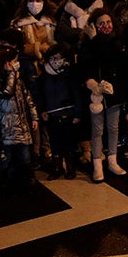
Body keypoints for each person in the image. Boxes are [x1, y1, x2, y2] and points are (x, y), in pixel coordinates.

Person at [0, 42, 41, 198]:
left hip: (21, 126)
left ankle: (27, 183)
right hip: (5, 128)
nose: (15, 64)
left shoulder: (17, 79)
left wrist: (34, 116)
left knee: (25, 158)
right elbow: (6, 92)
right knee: (5, 159)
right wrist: (11, 74)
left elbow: (27, 98)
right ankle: (3, 186)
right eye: (12, 61)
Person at [77, 6, 128, 180]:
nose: (105, 26)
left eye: (108, 22)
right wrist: (93, 41)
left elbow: (110, 57)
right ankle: (97, 164)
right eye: (101, 23)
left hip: (114, 91)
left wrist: (96, 40)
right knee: (97, 130)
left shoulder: (117, 41)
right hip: (95, 94)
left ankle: (113, 161)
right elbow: (85, 64)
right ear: (93, 26)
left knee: (113, 128)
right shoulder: (86, 44)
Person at [33, 43, 83, 180]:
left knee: (68, 141)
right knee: (54, 141)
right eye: (53, 58)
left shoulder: (69, 74)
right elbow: (40, 94)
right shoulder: (44, 76)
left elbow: (76, 93)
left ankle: (70, 167)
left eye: (59, 58)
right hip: (51, 114)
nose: (56, 61)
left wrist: (77, 113)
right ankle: (57, 167)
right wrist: (42, 109)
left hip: (68, 112)